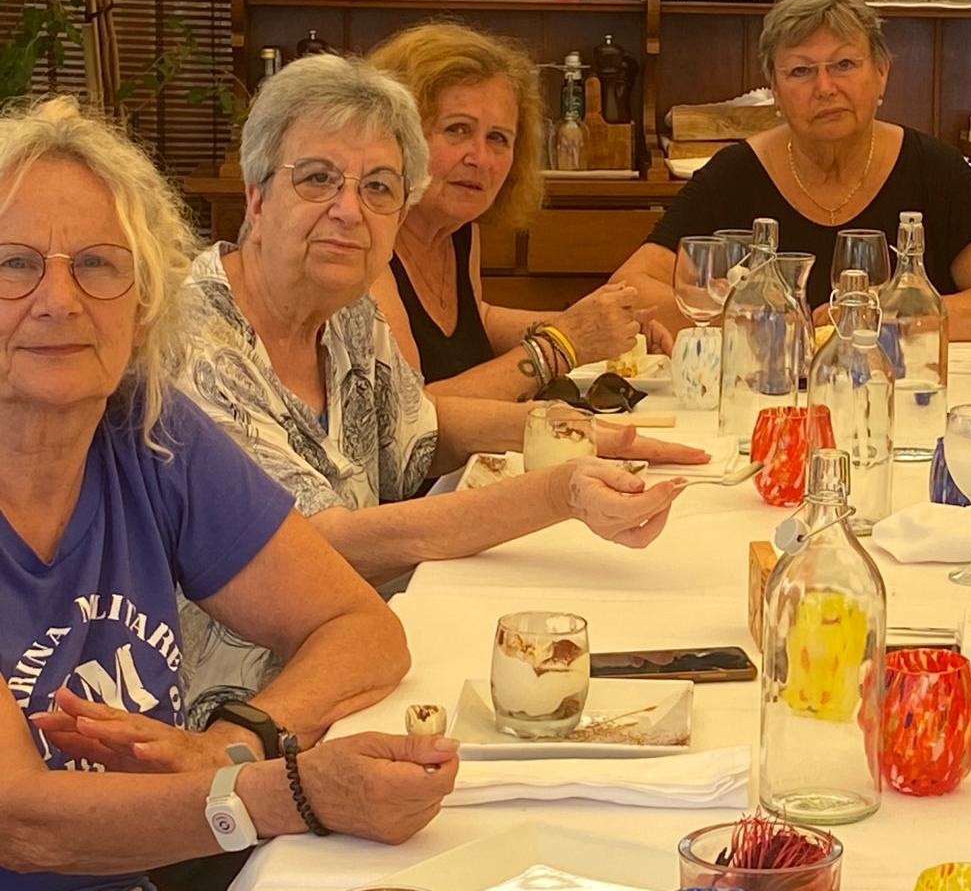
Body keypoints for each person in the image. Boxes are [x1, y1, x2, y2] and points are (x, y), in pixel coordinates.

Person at [0, 98, 457, 891]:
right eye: (14, 262)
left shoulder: (144, 429)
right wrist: (287, 793)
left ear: (144, 307)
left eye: (100, 265)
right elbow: (23, 822)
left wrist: (237, 739)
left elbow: (362, 627)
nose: (60, 300)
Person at [176, 54, 705, 720]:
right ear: (256, 193)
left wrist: (577, 434)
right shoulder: (195, 344)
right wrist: (555, 491)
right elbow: (319, 545)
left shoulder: (346, 311)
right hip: (249, 712)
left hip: (364, 653)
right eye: (317, 179)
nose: (349, 210)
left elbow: (421, 432)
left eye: (378, 188)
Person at [610, 0, 971, 339]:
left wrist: (896, 316)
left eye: (843, 64)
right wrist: (746, 320)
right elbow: (628, 290)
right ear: (775, 92)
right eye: (801, 71)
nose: (825, 87)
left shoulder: (934, 170)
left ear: (881, 73)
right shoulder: (733, 175)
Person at [366, 21, 657, 398]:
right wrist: (562, 344)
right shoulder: (364, 241)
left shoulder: (458, 228)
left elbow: (473, 321)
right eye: (457, 130)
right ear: (397, 133)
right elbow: (412, 417)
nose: (481, 159)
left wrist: (594, 326)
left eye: (498, 138)